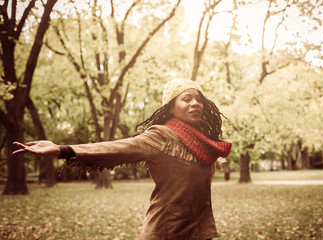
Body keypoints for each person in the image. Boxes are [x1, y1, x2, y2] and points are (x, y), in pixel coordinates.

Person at [13, 78, 232, 240]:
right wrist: (63, 150)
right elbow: (117, 148)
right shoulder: (161, 136)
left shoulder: (202, 144)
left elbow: (199, 163)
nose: (195, 103)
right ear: (171, 109)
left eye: (199, 99)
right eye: (186, 99)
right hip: (168, 231)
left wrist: (217, 161)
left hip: (200, 232)